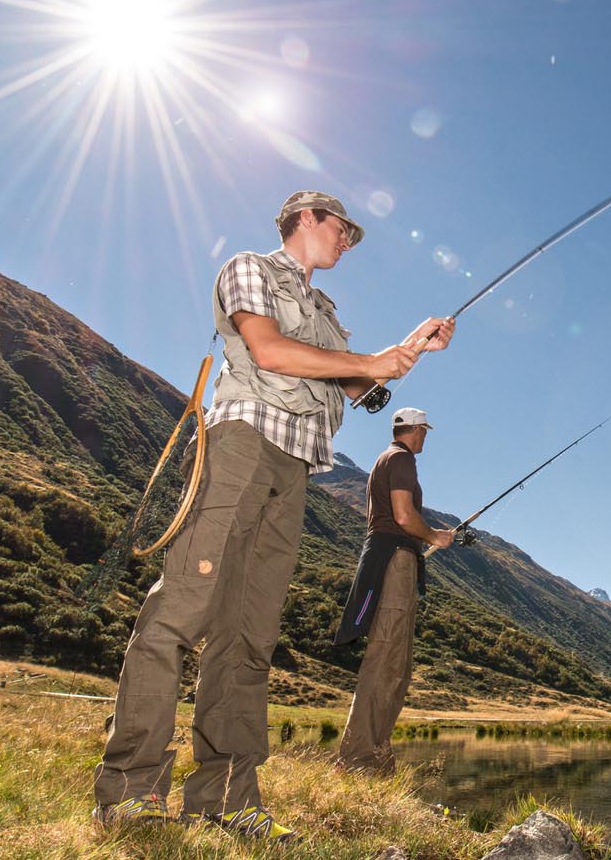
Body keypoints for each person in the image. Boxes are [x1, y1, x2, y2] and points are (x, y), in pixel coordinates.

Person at [93, 191, 455, 839]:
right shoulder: (250, 268)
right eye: (343, 228)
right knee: (180, 613)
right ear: (307, 219)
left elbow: (358, 383)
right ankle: (128, 790)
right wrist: (368, 363)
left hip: (293, 471)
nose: (348, 240)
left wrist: (410, 348)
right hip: (240, 445)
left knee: (249, 639)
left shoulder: (325, 314)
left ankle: (228, 802)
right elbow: (267, 350)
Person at [331, 407, 454, 772]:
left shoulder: (390, 459)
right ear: (414, 430)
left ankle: (377, 757)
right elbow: (403, 516)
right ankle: (357, 759)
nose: (426, 437)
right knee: (385, 661)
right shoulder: (401, 459)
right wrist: (435, 536)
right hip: (395, 563)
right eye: (424, 431)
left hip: (397, 560)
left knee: (396, 667)